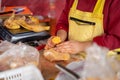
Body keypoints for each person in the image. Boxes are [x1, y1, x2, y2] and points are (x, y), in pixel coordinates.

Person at [45, 0, 120, 54]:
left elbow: (116, 39)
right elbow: (64, 23)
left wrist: (82, 46)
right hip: (74, 58)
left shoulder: (114, 3)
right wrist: (60, 38)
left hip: (103, 63)